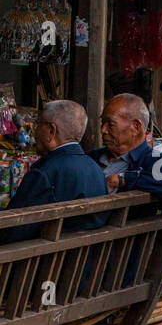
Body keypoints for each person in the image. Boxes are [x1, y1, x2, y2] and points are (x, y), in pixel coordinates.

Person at [1, 100, 107, 244]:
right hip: (86, 260)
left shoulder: (45, 172)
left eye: (38, 124)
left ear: (51, 131)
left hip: (43, 263)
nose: (35, 131)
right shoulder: (94, 168)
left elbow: (10, 229)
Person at [88, 93, 162, 199]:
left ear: (136, 127)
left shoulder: (153, 159)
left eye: (110, 124)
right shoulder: (92, 156)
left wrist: (121, 179)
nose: (103, 130)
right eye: (102, 123)